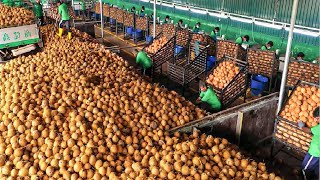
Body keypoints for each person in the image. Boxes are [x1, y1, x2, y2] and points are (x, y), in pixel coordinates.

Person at [298, 107, 320, 180]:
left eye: (317, 118)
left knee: (305, 168)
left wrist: (302, 126)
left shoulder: (318, 128)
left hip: (315, 153)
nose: (315, 120)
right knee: (316, 170)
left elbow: (309, 131)